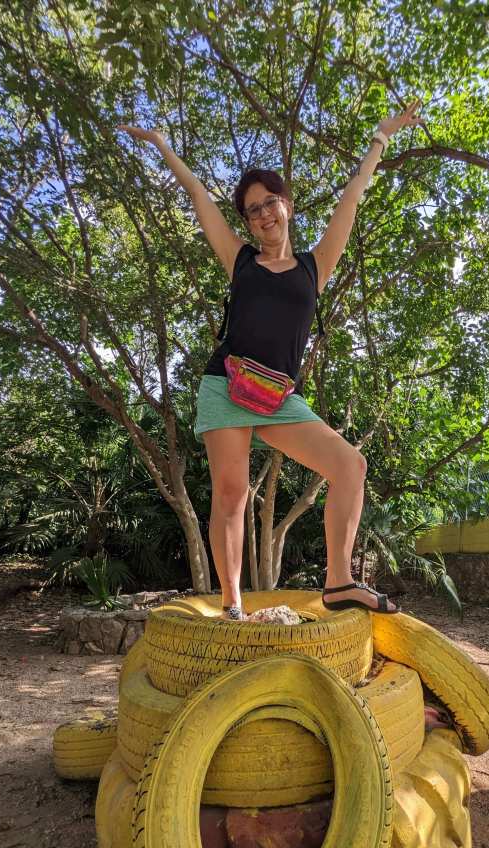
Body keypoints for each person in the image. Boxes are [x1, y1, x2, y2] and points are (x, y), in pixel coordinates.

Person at [118, 100, 425, 619]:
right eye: (252, 209)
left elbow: (352, 197)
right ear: (248, 221)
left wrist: (381, 136)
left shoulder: (314, 267)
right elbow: (198, 196)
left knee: (350, 465)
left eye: (270, 202)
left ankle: (339, 581)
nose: (263, 214)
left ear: (287, 205)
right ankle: (232, 604)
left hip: (278, 397)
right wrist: (164, 147)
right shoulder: (240, 260)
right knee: (231, 495)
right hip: (227, 385)